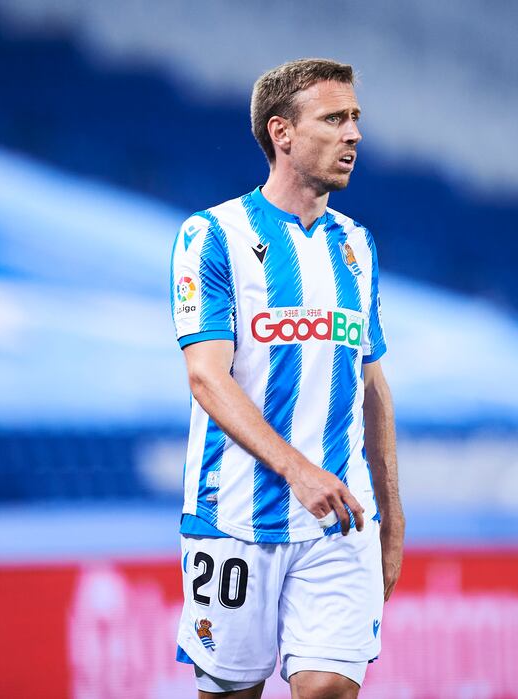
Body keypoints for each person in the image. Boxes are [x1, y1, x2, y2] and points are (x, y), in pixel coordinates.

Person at [169, 58, 404, 699]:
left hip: (341, 519)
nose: (353, 133)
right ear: (282, 133)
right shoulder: (211, 236)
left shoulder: (356, 245)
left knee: (329, 688)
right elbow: (207, 379)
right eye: (334, 119)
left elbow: (372, 384)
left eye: (355, 118)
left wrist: (392, 513)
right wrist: (299, 471)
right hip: (233, 517)